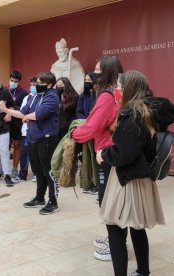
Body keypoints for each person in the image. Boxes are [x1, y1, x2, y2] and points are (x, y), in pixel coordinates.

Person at [97, 70, 173, 276]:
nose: (117, 90)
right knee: (136, 227)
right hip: (141, 177)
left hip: (127, 179)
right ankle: (143, 272)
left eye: (120, 86)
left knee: (115, 227)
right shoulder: (149, 110)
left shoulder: (133, 115)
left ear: (130, 88)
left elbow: (124, 154)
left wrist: (103, 154)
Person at [71, 55, 123, 261]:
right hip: (112, 152)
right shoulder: (115, 93)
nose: (93, 73)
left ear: (108, 72)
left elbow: (92, 125)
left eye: (98, 69)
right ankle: (113, 239)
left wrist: (75, 135)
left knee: (108, 201)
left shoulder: (107, 96)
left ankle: (115, 245)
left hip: (107, 155)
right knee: (110, 199)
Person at [0, 71, 60, 215]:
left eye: (40, 83)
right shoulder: (35, 97)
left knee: (48, 171)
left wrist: (27, 117)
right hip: (33, 137)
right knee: (38, 170)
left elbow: (40, 114)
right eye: (36, 83)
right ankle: (40, 197)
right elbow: (23, 112)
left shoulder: (52, 97)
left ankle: (53, 201)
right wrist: (6, 110)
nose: (36, 86)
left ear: (50, 85)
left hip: (46, 138)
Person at [7, 71, 29, 179]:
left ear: (19, 81)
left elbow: (25, 108)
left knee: (17, 146)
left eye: (15, 81)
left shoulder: (23, 92)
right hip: (5, 123)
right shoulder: (4, 90)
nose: (13, 82)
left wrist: (13, 109)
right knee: (4, 147)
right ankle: (4, 169)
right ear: (9, 79)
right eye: (11, 80)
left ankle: (15, 168)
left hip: (17, 123)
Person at [17, 76, 37, 182]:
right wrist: (28, 117)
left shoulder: (42, 98)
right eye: (31, 85)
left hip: (36, 131)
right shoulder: (27, 98)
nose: (33, 87)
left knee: (34, 154)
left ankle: (36, 174)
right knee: (24, 153)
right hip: (26, 130)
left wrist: (29, 117)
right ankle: (22, 175)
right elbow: (22, 113)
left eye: (35, 85)